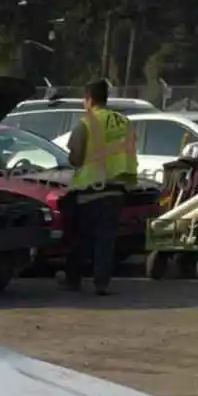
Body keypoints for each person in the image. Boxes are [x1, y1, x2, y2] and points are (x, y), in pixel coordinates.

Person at [62, 79, 139, 295]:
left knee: (81, 238)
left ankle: (73, 280)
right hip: (117, 190)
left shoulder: (87, 123)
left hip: (90, 191)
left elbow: (76, 157)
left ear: (89, 100)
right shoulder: (124, 122)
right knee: (106, 240)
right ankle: (101, 282)